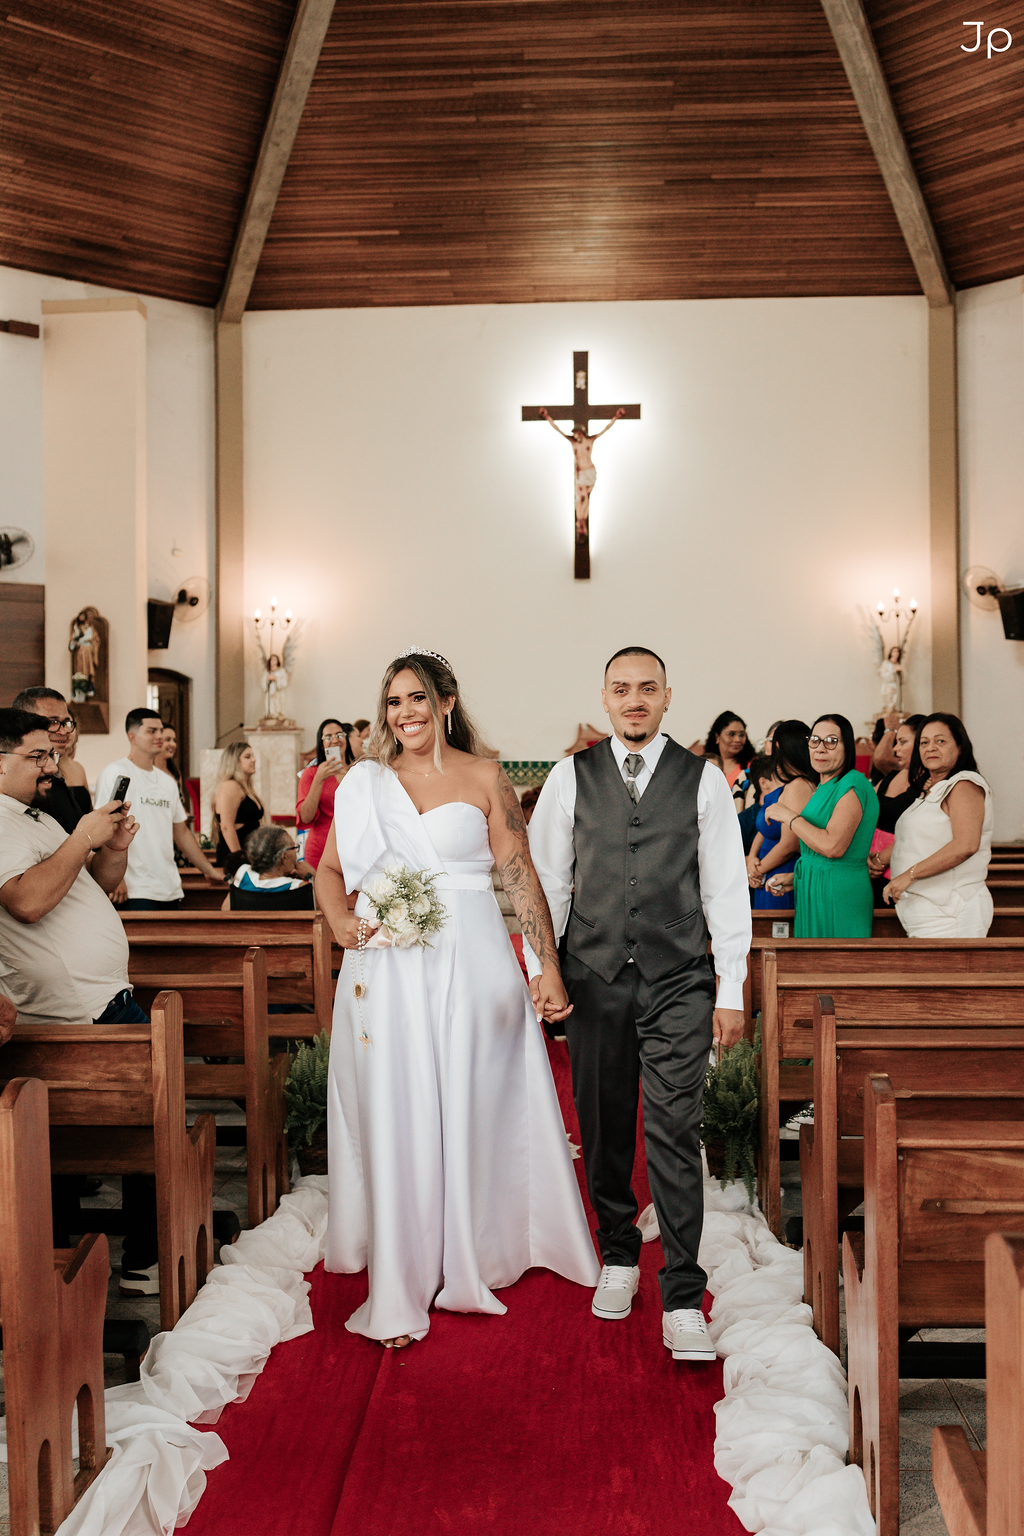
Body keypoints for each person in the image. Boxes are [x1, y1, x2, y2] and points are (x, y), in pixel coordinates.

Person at [318, 648, 598, 1349]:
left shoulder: (484, 776)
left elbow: (519, 872)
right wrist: (343, 923)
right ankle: (403, 1265)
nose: (405, 713)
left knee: (476, 1094)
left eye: (417, 698)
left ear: (446, 702)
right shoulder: (365, 783)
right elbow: (328, 870)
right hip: (386, 963)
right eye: (393, 702)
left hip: (471, 957)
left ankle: (482, 1243)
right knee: (398, 1104)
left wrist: (546, 966)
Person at [526, 647, 751, 1363]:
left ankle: (683, 1294)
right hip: (593, 977)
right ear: (604, 698)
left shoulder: (703, 780)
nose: (634, 699)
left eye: (647, 688)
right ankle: (619, 1250)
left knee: (675, 1128)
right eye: (621, 689)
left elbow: (724, 889)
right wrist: (544, 969)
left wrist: (732, 988)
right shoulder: (570, 776)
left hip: (678, 976)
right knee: (602, 1123)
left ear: (666, 697)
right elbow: (547, 881)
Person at [0, 707, 159, 1293]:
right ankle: (136, 1259)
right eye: (36, 756)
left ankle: (97, 1267)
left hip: (99, 1000)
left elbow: (86, 887)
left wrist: (110, 849)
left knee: (132, 1129)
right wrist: (83, 837)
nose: (51, 765)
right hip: (79, 1011)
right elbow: (27, 902)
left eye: (52, 754)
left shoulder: (34, 816)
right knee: (145, 1131)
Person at [765, 715, 879, 936]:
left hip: (839, 893)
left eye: (831, 741)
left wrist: (788, 816)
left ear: (847, 747)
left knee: (834, 957)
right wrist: (798, 879)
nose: (820, 748)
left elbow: (832, 847)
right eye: (815, 740)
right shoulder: (825, 786)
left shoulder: (852, 784)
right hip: (816, 888)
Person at [96, 709, 222, 909]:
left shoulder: (167, 781)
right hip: (134, 889)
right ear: (132, 737)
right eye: (151, 731)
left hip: (169, 887)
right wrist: (114, 879)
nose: (159, 736)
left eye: (161, 731)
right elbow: (104, 825)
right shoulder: (116, 772)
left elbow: (181, 832)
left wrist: (208, 869)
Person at [884, 714, 994, 937]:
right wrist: (878, 859)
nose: (931, 748)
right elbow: (915, 840)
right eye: (924, 742)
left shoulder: (964, 784)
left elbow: (966, 845)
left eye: (940, 741)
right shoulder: (933, 789)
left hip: (951, 911)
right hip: (928, 911)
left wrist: (909, 875)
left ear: (960, 747)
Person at [747, 721, 815, 910]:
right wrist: (752, 858)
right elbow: (765, 828)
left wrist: (757, 871)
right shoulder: (789, 784)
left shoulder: (799, 786)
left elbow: (789, 845)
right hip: (768, 871)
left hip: (780, 874)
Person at [11, 687, 92, 833]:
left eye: (66, 722)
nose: (64, 731)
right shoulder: (16, 781)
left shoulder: (58, 778)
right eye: (53, 722)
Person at [538, 407, 627, 537]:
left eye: (578, 433)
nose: (576, 435)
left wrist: (616, 417)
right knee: (582, 497)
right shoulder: (574, 443)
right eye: (575, 433)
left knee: (586, 498)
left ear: (582, 433)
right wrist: (547, 417)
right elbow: (557, 429)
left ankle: (582, 520)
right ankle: (580, 520)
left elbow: (606, 429)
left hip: (590, 472)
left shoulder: (590, 441)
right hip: (580, 474)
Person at [867, 714, 925, 904]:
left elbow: (919, 832)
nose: (895, 748)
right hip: (871, 866)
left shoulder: (930, 783)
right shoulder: (891, 777)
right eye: (896, 742)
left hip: (904, 871)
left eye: (902, 742)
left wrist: (881, 860)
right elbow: (865, 813)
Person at [296, 720, 352, 869]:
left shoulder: (358, 770)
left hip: (353, 847)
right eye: (328, 737)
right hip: (321, 848)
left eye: (339, 735)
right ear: (321, 745)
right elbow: (305, 818)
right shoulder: (311, 774)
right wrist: (318, 780)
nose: (335, 740)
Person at [227, 825, 314, 911]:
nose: (295, 853)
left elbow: (226, 909)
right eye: (294, 848)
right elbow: (319, 908)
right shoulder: (298, 888)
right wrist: (313, 876)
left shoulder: (243, 873)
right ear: (284, 857)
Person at [212, 741, 265, 875]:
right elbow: (226, 826)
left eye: (253, 756)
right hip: (236, 853)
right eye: (247, 757)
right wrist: (240, 858)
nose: (254, 760)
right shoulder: (230, 786)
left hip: (249, 852)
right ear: (234, 761)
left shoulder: (245, 788)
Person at [702, 711, 756, 809]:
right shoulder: (705, 764)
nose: (737, 740)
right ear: (717, 737)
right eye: (731, 734)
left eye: (741, 735)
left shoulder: (753, 766)